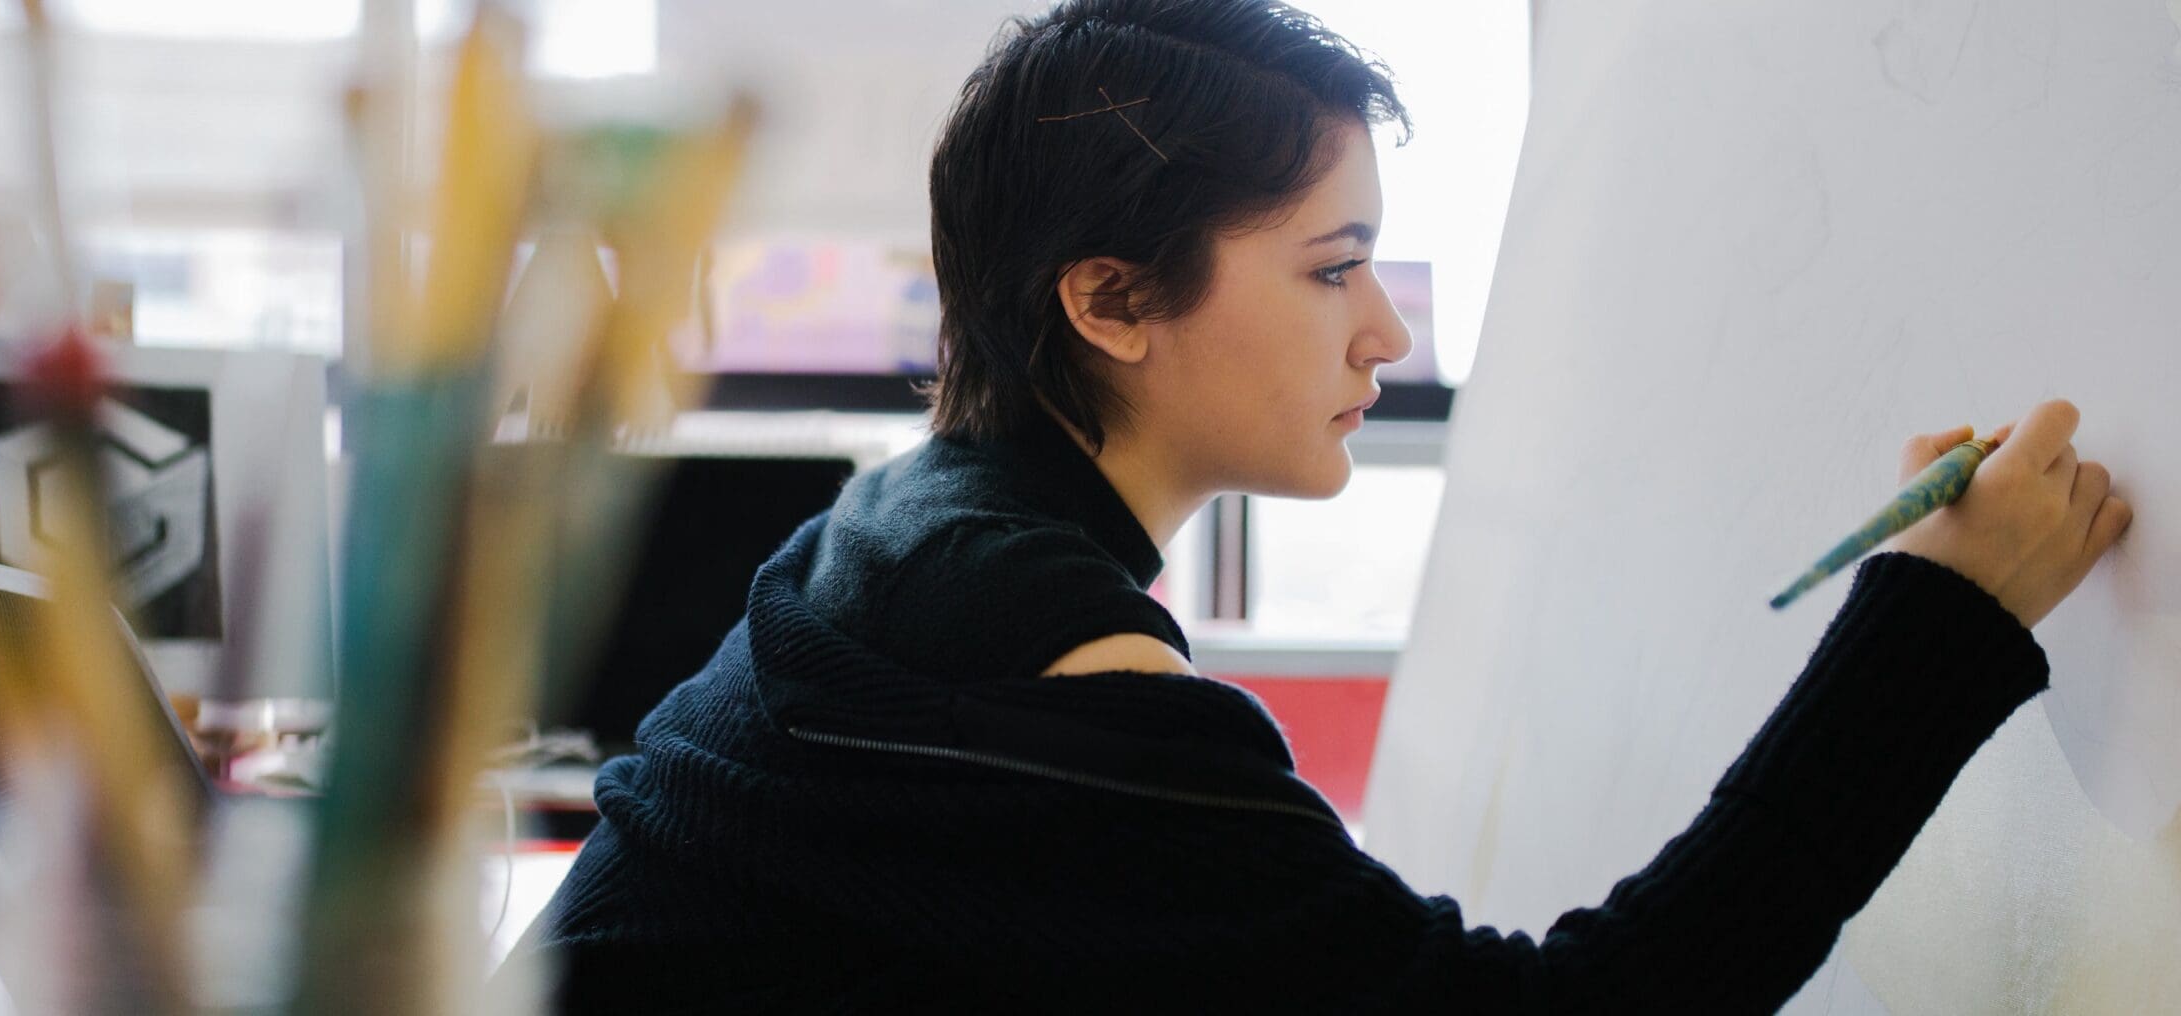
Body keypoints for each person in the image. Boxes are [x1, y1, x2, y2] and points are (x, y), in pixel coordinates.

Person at [524, 0, 2134, 1010]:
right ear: (1112, 299)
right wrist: (1943, 620)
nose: (1385, 332)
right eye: (1333, 269)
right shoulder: (1050, 668)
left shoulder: (918, 529)